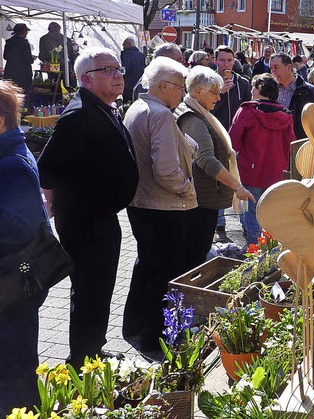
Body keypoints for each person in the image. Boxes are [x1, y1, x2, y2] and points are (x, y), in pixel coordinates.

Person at [38, 47, 139, 368]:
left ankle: (93, 349)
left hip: (101, 218)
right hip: (85, 223)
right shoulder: (79, 114)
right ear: (86, 79)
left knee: (100, 288)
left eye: (119, 69)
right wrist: (59, 207)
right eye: (109, 70)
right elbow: (47, 167)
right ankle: (81, 360)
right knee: (89, 291)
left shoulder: (101, 107)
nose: (119, 74)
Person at [122, 57, 196, 352]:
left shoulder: (138, 108)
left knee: (146, 267)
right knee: (162, 274)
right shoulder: (160, 114)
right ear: (163, 86)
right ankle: (154, 336)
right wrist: (185, 187)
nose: (182, 93)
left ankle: (135, 327)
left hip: (142, 203)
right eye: (180, 87)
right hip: (163, 206)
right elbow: (166, 169)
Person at [0, 80, 49, 416]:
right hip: (13, 287)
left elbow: (20, 227)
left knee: (14, 376)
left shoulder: (12, 163)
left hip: (13, 288)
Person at [175, 66, 255, 268]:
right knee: (196, 252)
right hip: (201, 200)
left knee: (198, 249)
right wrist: (237, 186)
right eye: (214, 93)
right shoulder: (193, 119)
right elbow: (206, 160)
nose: (218, 98)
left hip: (204, 198)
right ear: (197, 92)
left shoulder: (198, 113)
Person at [230, 73, 296, 246]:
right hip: (277, 172)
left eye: (253, 87)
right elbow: (292, 145)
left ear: (258, 89)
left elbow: (233, 142)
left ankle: (255, 252)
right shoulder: (286, 115)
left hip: (251, 171)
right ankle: (270, 252)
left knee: (252, 213)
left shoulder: (247, 111)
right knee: (272, 214)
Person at [211, 45, 252, 242]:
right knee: (218, 178)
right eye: (222, 60)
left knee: (239, 178)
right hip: (216, 136)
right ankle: (219, 221)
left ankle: (244, 220)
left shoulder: (243, 82)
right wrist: (221, 93)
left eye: (229, 60)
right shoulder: (209, 81)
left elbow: (247, 108)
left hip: (238, 139)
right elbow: (205, 110)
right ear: (215, 60)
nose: (226, 64)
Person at [270, 52, 314, 139]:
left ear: (289, 67)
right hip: (274, 143)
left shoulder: (309, 91)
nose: (273, 72)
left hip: (298, 145)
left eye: (276, 67)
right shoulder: (268, 90)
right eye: (271, 68)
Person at [3, 23, 34, 103]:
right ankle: (24, 111)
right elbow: (28, 60)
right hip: (23, 73)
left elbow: (5, 57)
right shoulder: (24, 43)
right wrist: (32, 59)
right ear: (23, 32)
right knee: (23, 94)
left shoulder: (9, 42)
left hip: (10, 72)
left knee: (11, 95)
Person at [121, 36, 146, 103]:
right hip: (138, 85)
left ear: (129, 44)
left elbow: (124, 70)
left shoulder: (124, 55)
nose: (122, 46)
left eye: (124, 44)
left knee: (126, 105)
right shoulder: (141, 55)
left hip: (127, 86)